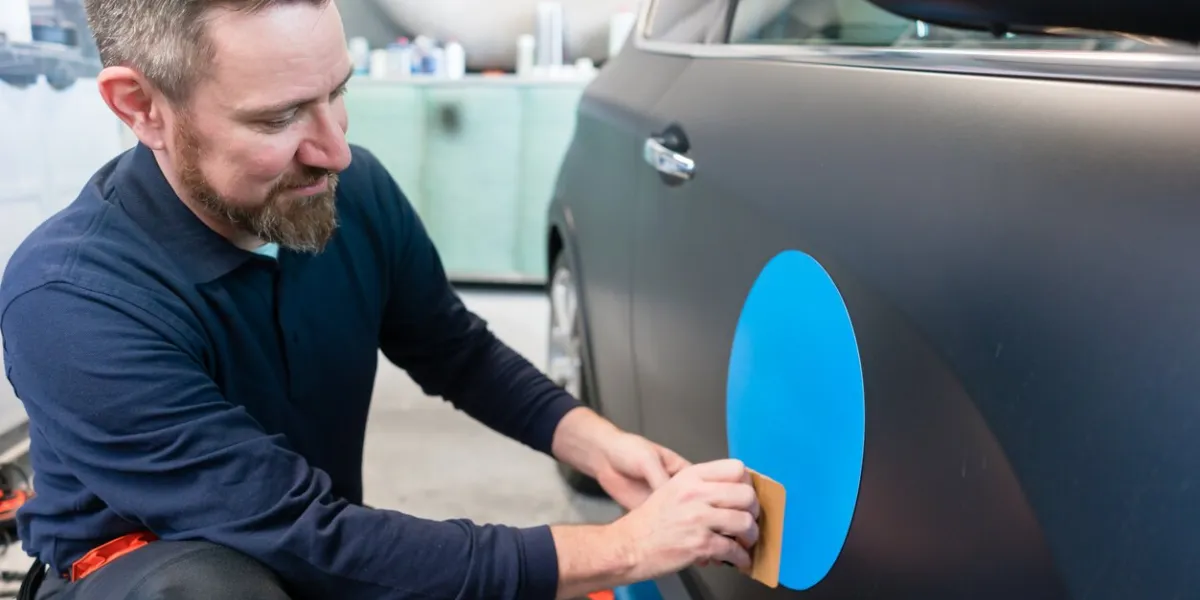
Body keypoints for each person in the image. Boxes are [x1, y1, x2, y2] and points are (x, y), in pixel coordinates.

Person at [0, 1, 762, 598]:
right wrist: (626, 548)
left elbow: (453, 349)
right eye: (279, 117)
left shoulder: (347, 190)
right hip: (144, 574)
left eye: (337, 92)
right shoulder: (71, 303)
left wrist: (601, 445)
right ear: (141, 107)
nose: (333, 148)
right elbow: (309, 537)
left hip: (302, 545)